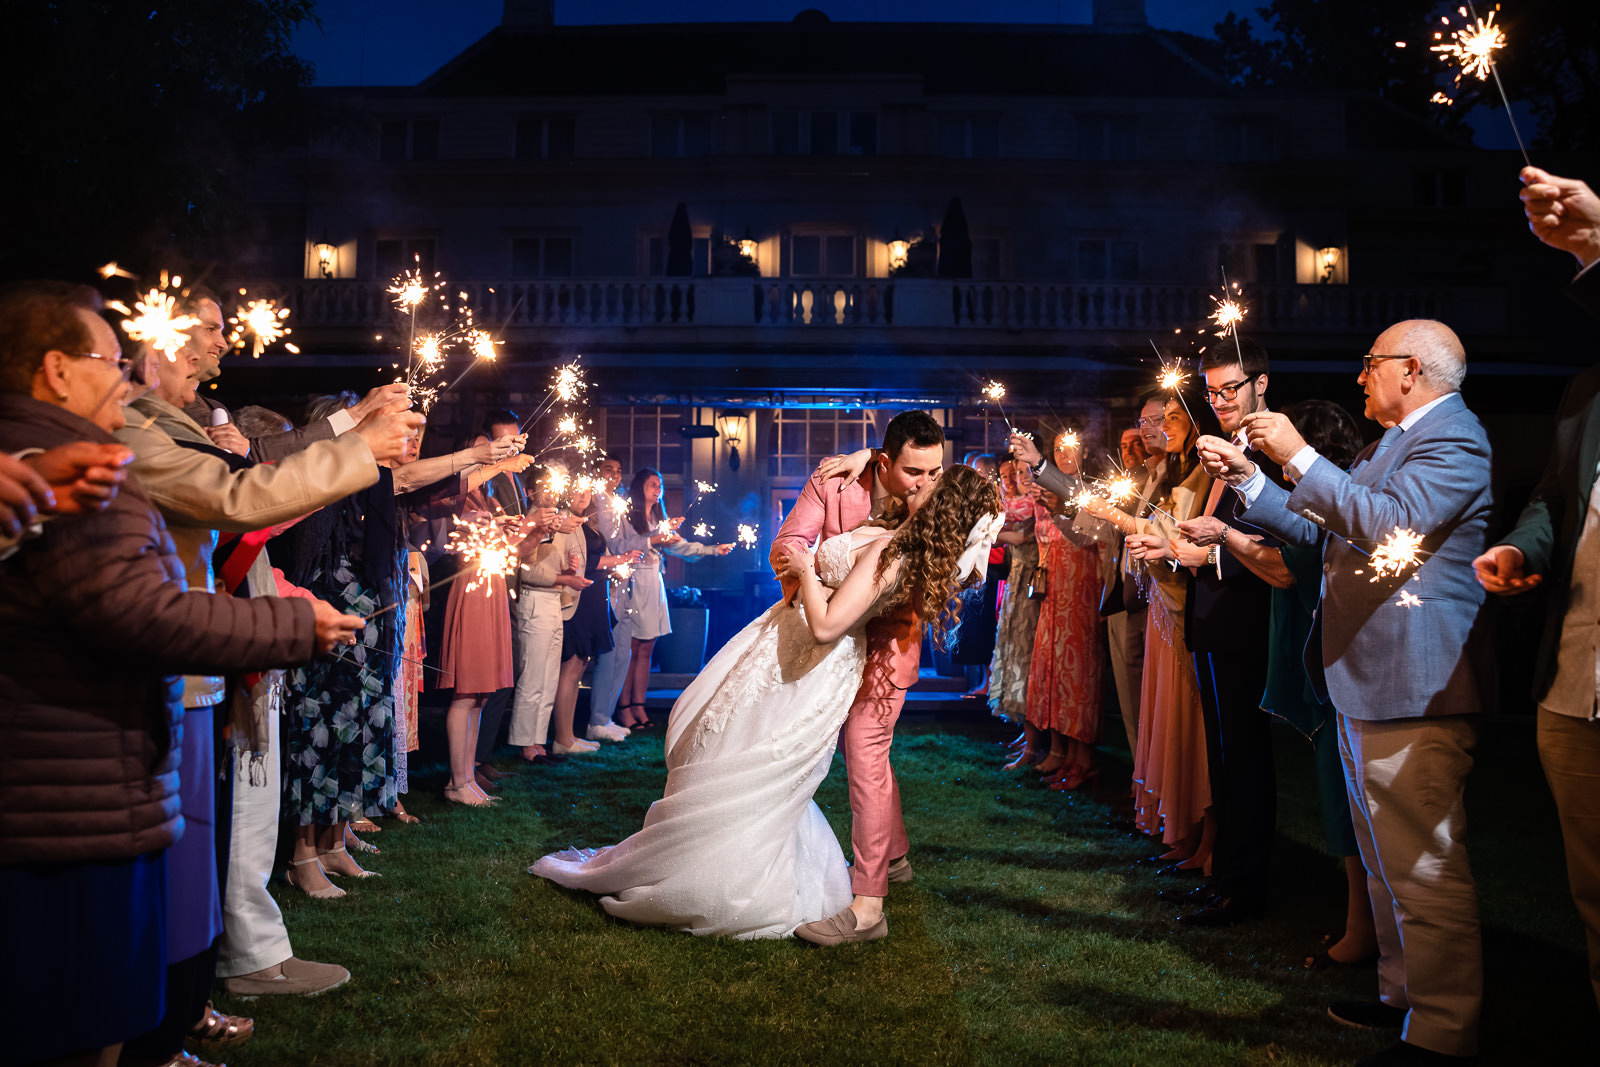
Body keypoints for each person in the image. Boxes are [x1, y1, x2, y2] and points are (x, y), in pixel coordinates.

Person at [0, 279, 362, 1067]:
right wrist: (293, 624)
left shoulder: (59, 462)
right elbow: (144, 608)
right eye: (113, 360)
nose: (127, 378)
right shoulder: (81, 470)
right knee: (83, 1023)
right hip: (70, 791)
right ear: (58, 371)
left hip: (84, 781)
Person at [529, 466, 1001, 940]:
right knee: (726, 747)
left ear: (942, 507)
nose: (918, 483)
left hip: (814, 658)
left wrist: (804, 572)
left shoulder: (892, 552)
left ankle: (728, 881)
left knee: (751, 762)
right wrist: (866, 456)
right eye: (920, 475)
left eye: (930, 485)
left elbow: (828, 625)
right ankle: (719, 860)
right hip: (787, 647)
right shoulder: (897, 533)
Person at [1202, 319, 1492, 1066]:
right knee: (1385, 857)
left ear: (1412, 370)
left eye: (1370, 363)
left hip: (1415, 681)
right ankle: (1398, 991)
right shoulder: (1384, 443)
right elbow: (1321, 529)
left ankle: (1444, 1029)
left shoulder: (1453, 439)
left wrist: (1297, 452)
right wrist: (1250, 480)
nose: (1360, 376)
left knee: (1423, 863)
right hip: (1368, 679)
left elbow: (1387, 525)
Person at [1472, 166, 1600, 1012]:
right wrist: (1520, 548)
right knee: (1593, 890)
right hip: (1575, 684)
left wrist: (1595, 243)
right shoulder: (1583, 392)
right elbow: (1555, 500)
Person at [769, 410, 945, 945]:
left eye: (936, 472)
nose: (928, 484)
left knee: (865, 749)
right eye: (916, 473)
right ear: (887, 462)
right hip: (834, 635)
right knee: (860, 754)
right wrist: (810, 579)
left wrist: (873, 454)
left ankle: (868, 905)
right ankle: (894, 855)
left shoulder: (937, 493)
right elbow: (787, 544)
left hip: (893, 640)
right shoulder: (834, 482)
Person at [1172, 340, 1285, 927]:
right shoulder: (1224, 447)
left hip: (1245, 620)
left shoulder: (1273, 452)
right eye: (1210, 391)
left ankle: (1247, 887)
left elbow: (1280, 536)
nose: (1218, 401)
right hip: (1211, 618)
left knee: (1245, 756)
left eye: (1230, 389)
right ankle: (1225, 873)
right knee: (1223, 755)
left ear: (1260, 384)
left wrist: (1211, 556)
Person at [1080, 397, 1214, 875]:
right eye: (1154, 421)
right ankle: (1176, 826)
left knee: (1187, 726)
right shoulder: (1176, 471)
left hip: (1178, 610)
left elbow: (1175, 536)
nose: (1159, 428)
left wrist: (1116, 518)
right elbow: (1158, 529)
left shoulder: (1202, 473)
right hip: (1160, 603)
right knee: (1160, 717)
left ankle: (1199, 833)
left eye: (1171, 419)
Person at [592, 468, 731, 732]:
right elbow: (628, 544)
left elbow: (679, 546)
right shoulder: (628, 517)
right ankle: (622, 708)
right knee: (630, 648)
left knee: (647, 648)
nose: (658, 489)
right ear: (640, 487)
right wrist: (657, 537)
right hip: (633, 581)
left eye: (660, 485)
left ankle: (639, 705)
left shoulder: (660, 516)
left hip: (654, 583)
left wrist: (713, 549)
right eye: (652, 484)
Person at [989, 452, 1041, 727]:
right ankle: (1024, 730)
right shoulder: (1011, 504)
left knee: (1025, 652)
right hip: (1015, 581)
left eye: (1021, 473)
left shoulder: (1034, 505)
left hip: (1032, 583)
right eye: (1010, 474)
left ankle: (1031, 729)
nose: (1015, 479)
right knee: (1011, 648)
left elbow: (1020, 536)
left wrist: (988, 534)